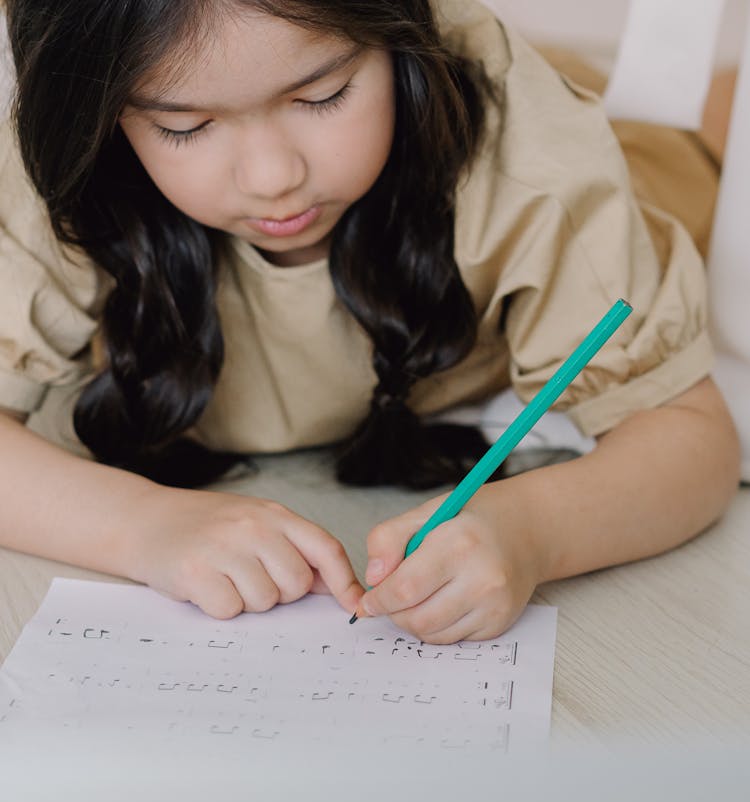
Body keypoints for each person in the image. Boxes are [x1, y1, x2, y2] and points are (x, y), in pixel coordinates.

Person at [0, 0, 740, 644]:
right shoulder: (62, 160)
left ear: (399, 36)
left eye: (322, 95)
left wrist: (533, 530)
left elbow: (690, 434)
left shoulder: (534, 156)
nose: (271, 176)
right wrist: (141, 526)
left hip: (640, 166)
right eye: (186, 126)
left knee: (686, 142)